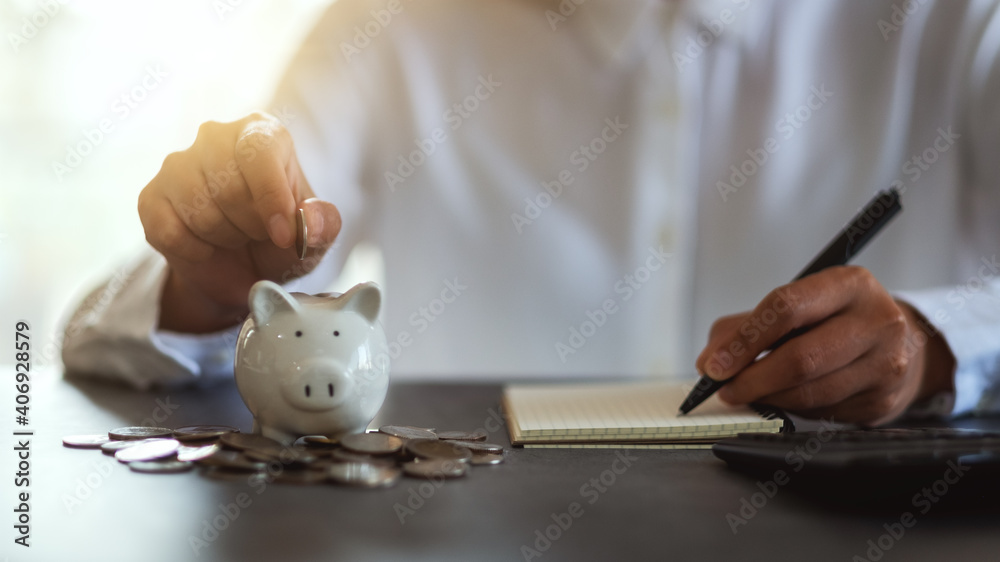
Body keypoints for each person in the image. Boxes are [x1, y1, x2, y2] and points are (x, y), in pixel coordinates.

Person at [62, 0, 1000, 425]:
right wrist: (208, 284)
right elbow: (130, 330)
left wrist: (941, 339)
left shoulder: (955, 23)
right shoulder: (385, 28)